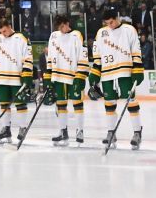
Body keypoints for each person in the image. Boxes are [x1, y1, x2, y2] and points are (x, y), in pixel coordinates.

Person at [91, 9, 145, 150]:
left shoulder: (129, 30)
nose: (110, 25)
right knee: (109, 103)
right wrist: (95, 72)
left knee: (131, 102)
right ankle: (111, 132)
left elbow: (136, 51)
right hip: (107, 73)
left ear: (117, 17)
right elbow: (97, 54)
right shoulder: (101, 33)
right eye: (107, 23)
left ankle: (137, 132)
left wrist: (137, 70)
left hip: (125, 72)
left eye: (112, 21)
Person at [45, 14, 88, 146]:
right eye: (60, 27)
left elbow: (83, 56)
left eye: (63, 26)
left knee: (77, 103)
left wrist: (80, 76)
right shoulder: (53, 36)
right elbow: (50, 57)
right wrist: (48, 76)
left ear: (67, 23)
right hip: (58, 76)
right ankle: (63, 131)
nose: (62, 29)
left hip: (73, 75)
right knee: (61, 104)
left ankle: (80, 131)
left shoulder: (76, 35)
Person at [0, 18, 33, 144]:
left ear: (9, 26)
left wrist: (27, 76)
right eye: (1, 32)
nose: (3, 34)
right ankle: (6, 129)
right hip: (2, 77)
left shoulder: (21, 38)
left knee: (20, 104)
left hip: (16, 77)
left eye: (4, 31)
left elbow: (28, 57)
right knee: (4, 104)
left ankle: (22, 127)